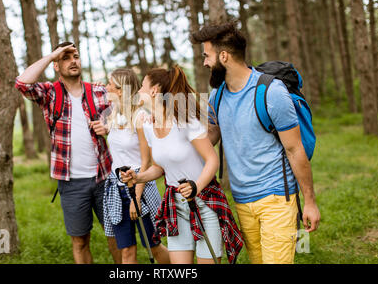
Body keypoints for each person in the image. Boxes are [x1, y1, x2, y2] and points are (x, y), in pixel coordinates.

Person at [190, 22, 321, 264]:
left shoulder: (271, 92)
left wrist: (310, 202)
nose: (205, 62)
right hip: (242, 200)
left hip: (276, 198)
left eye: (207, 56)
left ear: (224, 56)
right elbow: (210, 137)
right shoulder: (217, 95)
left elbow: (294, 149)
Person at [121, 65, 243, 264]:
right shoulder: (148, 126)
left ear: (154, 90)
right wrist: (138, 177)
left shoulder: (185, 121)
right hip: (175, 205)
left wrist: (196, 187)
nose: (138, 91)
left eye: (142, 86)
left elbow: (212, 160)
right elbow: (159, 167)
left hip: (204, 202)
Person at [14, 42, 120, 264]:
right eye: (66, 57)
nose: (73, 60)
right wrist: (53, 54)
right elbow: (22, 83)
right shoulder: (50, 94)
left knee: (116, 238)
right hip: (71, 183)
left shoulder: (99, 91)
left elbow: (127, 113)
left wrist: (110, 126)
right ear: (56, 65)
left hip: (105, 179)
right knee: (80, 241)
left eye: (76, 56)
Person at [90, 68, 170, 264]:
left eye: (110, 84)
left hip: (139, 186)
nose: (106, 86)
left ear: (120, 90)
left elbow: (146, 162)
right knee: (126, 250)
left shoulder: (140, 118)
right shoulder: (113, 114)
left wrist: (136, 198)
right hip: (116, 188)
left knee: (153, 246)